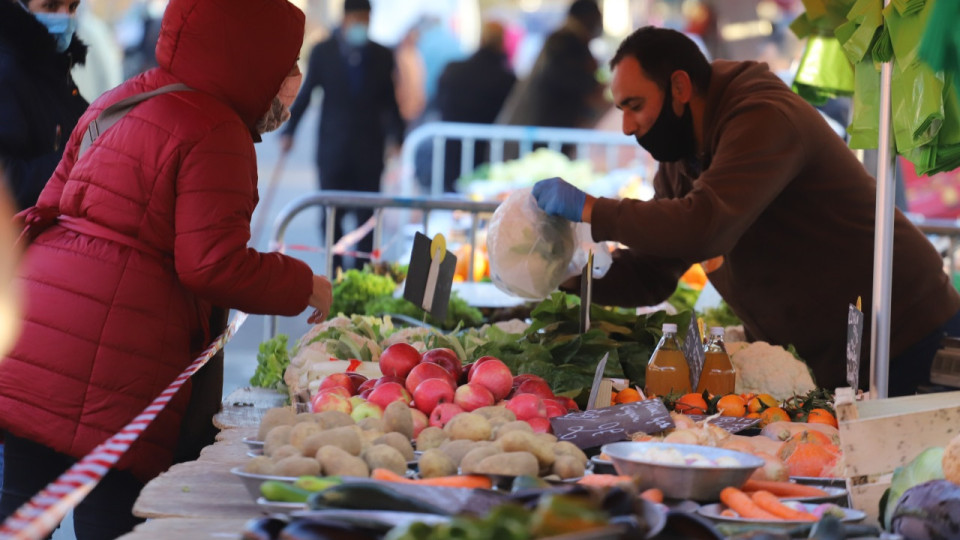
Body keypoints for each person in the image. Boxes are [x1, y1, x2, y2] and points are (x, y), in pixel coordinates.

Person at [0, 0, 332, 537]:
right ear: (251, 54)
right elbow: (211, 265)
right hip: (119, 366)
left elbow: (53, 201)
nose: (292, 77)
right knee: (113, 520)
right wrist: (305, 285)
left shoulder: (126, 94)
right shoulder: (216, 128)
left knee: (18, 513)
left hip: (37, 335)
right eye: (286, 61)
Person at [532, 27, 960, 396]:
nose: (626, 126)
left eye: (635, 105)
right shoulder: (680, 156)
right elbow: (651, 272)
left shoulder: (764, 116)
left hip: (908, 337)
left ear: (680, 88)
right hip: (834, 358)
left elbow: (703, 226)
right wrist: (563, 272)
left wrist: (590, 208)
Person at [280, 0, 404, 271]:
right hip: (333, 150)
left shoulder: (382, 55)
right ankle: (334, 270)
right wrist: (289, 131)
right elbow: (307, 93)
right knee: (330, 216)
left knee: (366, 218)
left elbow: (390, 102)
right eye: (358, 18)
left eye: (366, 19)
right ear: (346, 18)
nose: (362, 25)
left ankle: (361, 273)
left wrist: (398, 138)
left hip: (370, 152)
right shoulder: (324, 52)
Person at [0, 0, 90, 211]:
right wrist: (79, 160)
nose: (65, 18)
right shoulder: (7, 71)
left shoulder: (53, 66)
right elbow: (7, 183)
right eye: (50, 6)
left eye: (72, 7)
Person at [434, 21, 517, 192]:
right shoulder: (506, 79)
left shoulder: (453, 70)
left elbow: (438, 103)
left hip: (450, 154)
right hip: (486, 158)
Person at [499, 0, 605, 131]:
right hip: (541, 128)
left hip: (542, 127)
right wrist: (594, 84)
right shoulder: (565, 42)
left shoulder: (566, 40)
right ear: (589, 17)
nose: (601, 24)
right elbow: (570, 78)